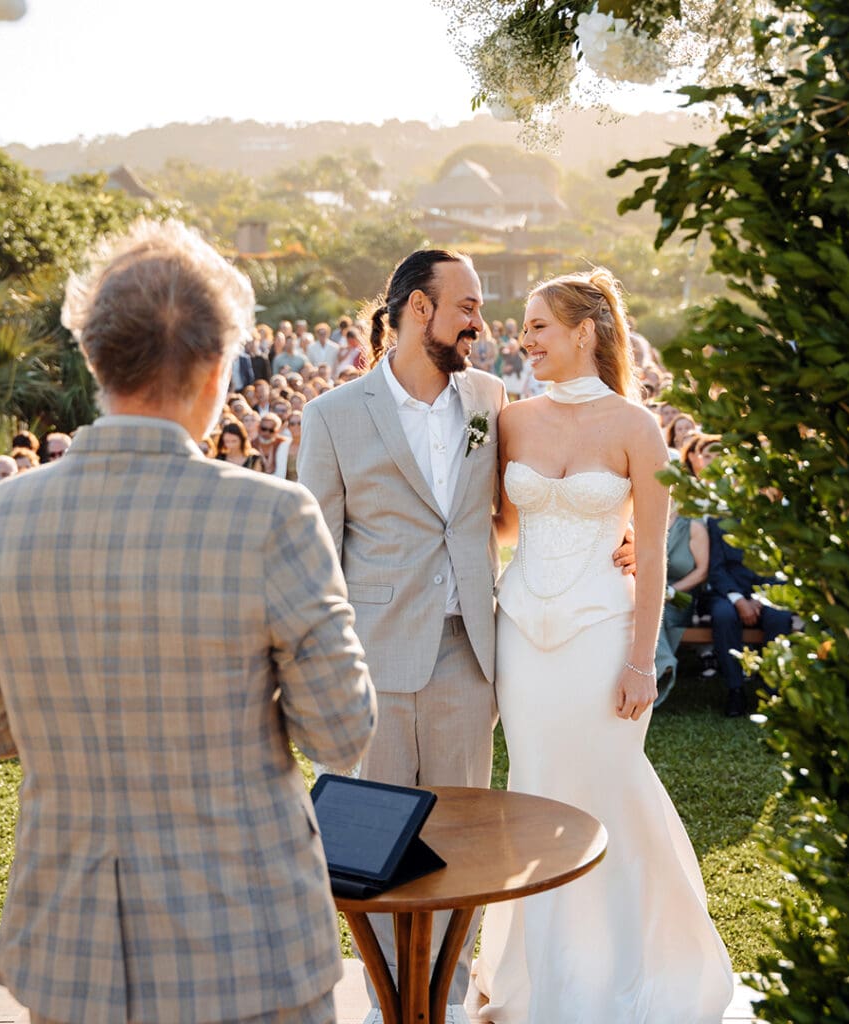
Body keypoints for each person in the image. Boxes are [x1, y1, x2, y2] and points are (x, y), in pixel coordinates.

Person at [0, 218, 377, 1024]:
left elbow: (0, 733)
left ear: (95, 357)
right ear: (220, 368)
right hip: (248, 942)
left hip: (74, 954)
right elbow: (342, 731)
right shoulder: (272, 516)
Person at [475, 268, 733, 1024]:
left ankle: (637, 968)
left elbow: (651, 554)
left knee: (607, 789)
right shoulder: (512, 419)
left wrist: (638, 663)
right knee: (533, 788)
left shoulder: (636, 427)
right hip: (521, 630)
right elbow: (494, 525)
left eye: (537, 327)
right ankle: (539, 979)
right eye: (524, 328)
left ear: (583, 331)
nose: (524, 340)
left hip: (600, 635)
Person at [299, 249, 506, 1022]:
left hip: (469, 658)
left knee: (463, 843)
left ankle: (444, 1004)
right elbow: (316, 553)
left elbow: (512, 504)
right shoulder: (332, 415)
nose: (480, 325)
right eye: (469, 307)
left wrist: (609, 538)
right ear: (418, 309)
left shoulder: (487, 397)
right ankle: (394, 1002)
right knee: (372, 848)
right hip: (373, 661)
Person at [707, 517, 794, 717]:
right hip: (730, 593)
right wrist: (739, 600)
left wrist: (762, 599)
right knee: (723, 615)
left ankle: (773, 693)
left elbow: (784, 569)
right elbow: (716, 569)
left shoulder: (782, 521)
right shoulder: (718, 524)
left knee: (779, 617)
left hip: (769, 593)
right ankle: (735, 690)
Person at [654, 503, 710, 704]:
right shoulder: (647, 520)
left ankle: (661, 667)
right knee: (643, 609)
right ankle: (664, 664)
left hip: (679, 598)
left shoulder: (693, 526)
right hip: (646, 592)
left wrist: (672, 591)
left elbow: (702, 571)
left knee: (654, 612)